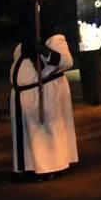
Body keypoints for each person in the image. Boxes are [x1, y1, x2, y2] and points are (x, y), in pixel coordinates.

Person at [10, 17, 77, 181]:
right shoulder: (21, 46)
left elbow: (66, 61)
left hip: (43, 93)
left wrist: (43, 51)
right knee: (28, 137)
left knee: (44, 134)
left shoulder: (55, 40)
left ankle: (50, 167)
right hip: (24, 95)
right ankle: (30, 167)